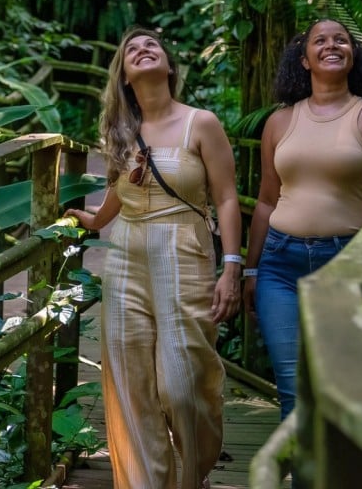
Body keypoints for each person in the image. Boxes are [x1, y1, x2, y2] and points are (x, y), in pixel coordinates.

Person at [64, 26, 242, 489]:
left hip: (183, 249)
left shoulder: (199, 123)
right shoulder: (120, 130)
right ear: (124, 74)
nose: (143, 50)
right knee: (130, 380)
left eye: (152, 46)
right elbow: (117, 191)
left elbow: (225, 199)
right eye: (132, 50)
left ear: (168, 65)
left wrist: (233, 267)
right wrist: (93, 221)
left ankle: (192, 474)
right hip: (124, 253)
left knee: (181, 383)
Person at [242, 18, 362, 422]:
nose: (332, 45)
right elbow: (265, 200)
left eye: (342, 40)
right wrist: (249, 269)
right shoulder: (279, 122)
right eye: (320, 41)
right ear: (304, 60)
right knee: (293, 390)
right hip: (279, 266)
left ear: (354, 57)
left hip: (344, 265)